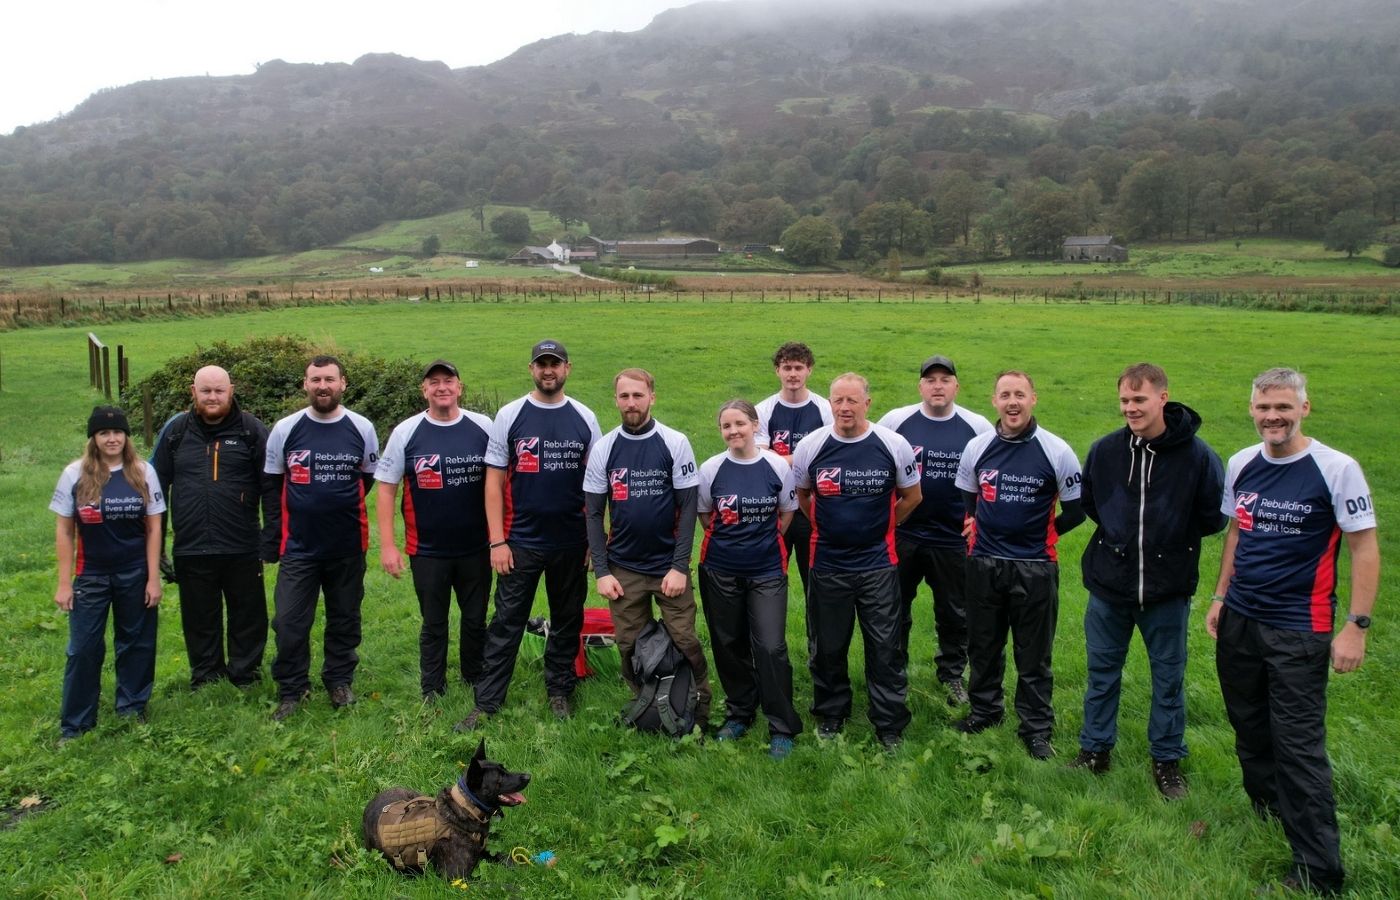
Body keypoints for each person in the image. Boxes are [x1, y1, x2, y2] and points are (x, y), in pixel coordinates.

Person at [1206, 367, 1378, 896]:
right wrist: (1219, 596)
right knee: (1249, 728)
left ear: (1305, 408)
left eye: (1283, 407)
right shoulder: (1241, 463)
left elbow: (1363, 547)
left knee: (1298, 746)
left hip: (1299, 628)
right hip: (1240, 619)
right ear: (1252, 410)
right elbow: (1239, 531)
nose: (1272, 417)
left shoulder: (1336, 469)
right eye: (1263, 407)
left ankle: (1319, 869)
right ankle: (1270, 814)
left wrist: (1356, 626)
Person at [1068, 363, 1225, 798]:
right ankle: (1095, 751)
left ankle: (1167, 760)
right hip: (1110, 585)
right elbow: (1093, 503)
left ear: (1163, 397)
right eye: (1124, 400)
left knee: (1168, 678)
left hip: (1167, 589)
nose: (1131, 408)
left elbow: (1213, 515)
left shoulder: (1198, 457)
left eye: (1139, 400)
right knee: (1102, 673)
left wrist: (1169, 543)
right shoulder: (1105, 451)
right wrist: (1120, 539)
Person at [456, 340, 601, 731]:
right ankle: (486, 703)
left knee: (567, 619)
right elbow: (494, 481)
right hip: (520, 542)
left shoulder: (585, 417)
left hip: (572, 541)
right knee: (506, 621)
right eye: (542, 364)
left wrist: (594, 540)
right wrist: (497, 540)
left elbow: (596, 483)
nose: (548, 370)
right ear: (531, 369)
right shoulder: (510, 414)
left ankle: (559, 691)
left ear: (567, 368)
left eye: (555, 364)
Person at [953, 370, 1084, 760]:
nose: (1013, 402)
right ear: (994, 401)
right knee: (983, 645)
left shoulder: (1056, 450)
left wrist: (1044, 535)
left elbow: (1077, 510)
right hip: (984, 563)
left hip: (1035, 566)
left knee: (1034, 653)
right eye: (1005, 394)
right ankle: (985, 711)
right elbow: (969, 500)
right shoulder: (977, 447)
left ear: (1033, 399)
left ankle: (1036, 728)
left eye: (1020, 395)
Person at [791, 373, 922, 749]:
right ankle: (832, 713)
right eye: (837, 401)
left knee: (884, 646)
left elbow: (912, 497)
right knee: (828, 645)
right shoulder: (811, 446)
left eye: (852, 400)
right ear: (829, 404)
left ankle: (889, 723)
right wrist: (827, 525)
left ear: (868, 403)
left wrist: (882, 527)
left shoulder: (892, 444)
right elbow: (803, 496)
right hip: (828, 563)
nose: (844, 408)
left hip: (878, 564)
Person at [583, 368, 710, 727]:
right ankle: (647, 707)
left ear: (652, 397)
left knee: (685, 639)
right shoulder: (605, 448)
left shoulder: (674, 441)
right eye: (624, 396)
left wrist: (679, 566)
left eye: (638, 395)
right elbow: (593, 514)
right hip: (623, 568)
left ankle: (699, 707)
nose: (631, 403)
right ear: (616, 400)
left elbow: (687, 509)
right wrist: (603, 572)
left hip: (668, 565)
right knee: (628, 646)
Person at [263, 355, 379, 720]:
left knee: (345, 618)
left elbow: (367, 478)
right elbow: (274, 482)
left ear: (343, 383)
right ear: (305, 385)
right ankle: (292, 689)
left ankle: (339, 679)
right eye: (315, 380)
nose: (322, 386)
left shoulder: (362, 428)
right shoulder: (285, 429)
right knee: (288, 622)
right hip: (299, 547)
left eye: (329, 379)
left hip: (347, 545)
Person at [151, 365, 277, 690]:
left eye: (219, 390)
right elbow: (154, 489)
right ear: (193, 392)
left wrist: (271, 537)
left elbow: (272, 486)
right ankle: (206, 677)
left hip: (242, 544)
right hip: (191, 545)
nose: (212, 397)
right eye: (205, 390)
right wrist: (156, 547)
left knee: (247, 614)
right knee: (199, 617)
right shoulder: (175, 432)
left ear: (231, 391)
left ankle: (244, 674)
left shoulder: (251, 431)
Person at [375, 359, 494, 700]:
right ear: (424, 390)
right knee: (434, 621)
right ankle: (432, 686)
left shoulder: (483, 426)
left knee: (475, 619)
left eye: (448, 381)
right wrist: (388, 545)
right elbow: (386, 487)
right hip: (427, 549)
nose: (442, 387)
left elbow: (500, 482)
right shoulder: (406, 432)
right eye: (434, 382)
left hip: (476, 546)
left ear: (459, 387)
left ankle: (474, 676)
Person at [877, 354, 992, 707]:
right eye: (930, 379)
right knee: (894, 608)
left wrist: (979, 518)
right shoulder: (896, 421)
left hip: (952, 538)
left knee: (955, 612)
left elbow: (991, 475)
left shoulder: (977, 426)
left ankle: (952, 674)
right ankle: (892, 671)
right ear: (920, 386)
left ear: (956, 386)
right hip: (904, 535)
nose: (937, 385)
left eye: (945, 379)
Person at [51, 406, 165, 744]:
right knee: (83, 648)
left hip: (135, 573)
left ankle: (131, 708)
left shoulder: (144, 472)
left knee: (137, 643)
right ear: (94, 438)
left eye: (117, 432)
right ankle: (76, 724)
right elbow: (64, 531)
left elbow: (154, 528)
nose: (112, 438)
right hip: (91, 577)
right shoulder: (74, 474)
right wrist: (64, 582)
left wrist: (153, 577)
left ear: (126, 437)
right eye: (104, 433)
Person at [696, 399, 803, 759]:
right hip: (721, 568)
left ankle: (782, 725)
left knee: (771, 647)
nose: (733, 431)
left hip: (768, 570)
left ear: (755, 424)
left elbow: (787, 513)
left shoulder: (776, 465)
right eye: (726, 426)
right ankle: (740, 712)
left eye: (740, 423)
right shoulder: (711, 469)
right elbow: (706, 517)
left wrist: (762, 543)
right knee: (728, 643)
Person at [755, 341, 832, 597]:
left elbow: (830, 456)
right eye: (787, 367)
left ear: (809, 369)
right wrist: (806, 455)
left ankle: (817, 637)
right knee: (771, 578)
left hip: (813, 504)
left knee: (816, 581)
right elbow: (762, 459)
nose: (793, 374)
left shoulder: (824, 409)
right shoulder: (764, 410)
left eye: (799, 367)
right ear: (777, 370)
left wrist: (783, 458)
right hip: (776, 506)